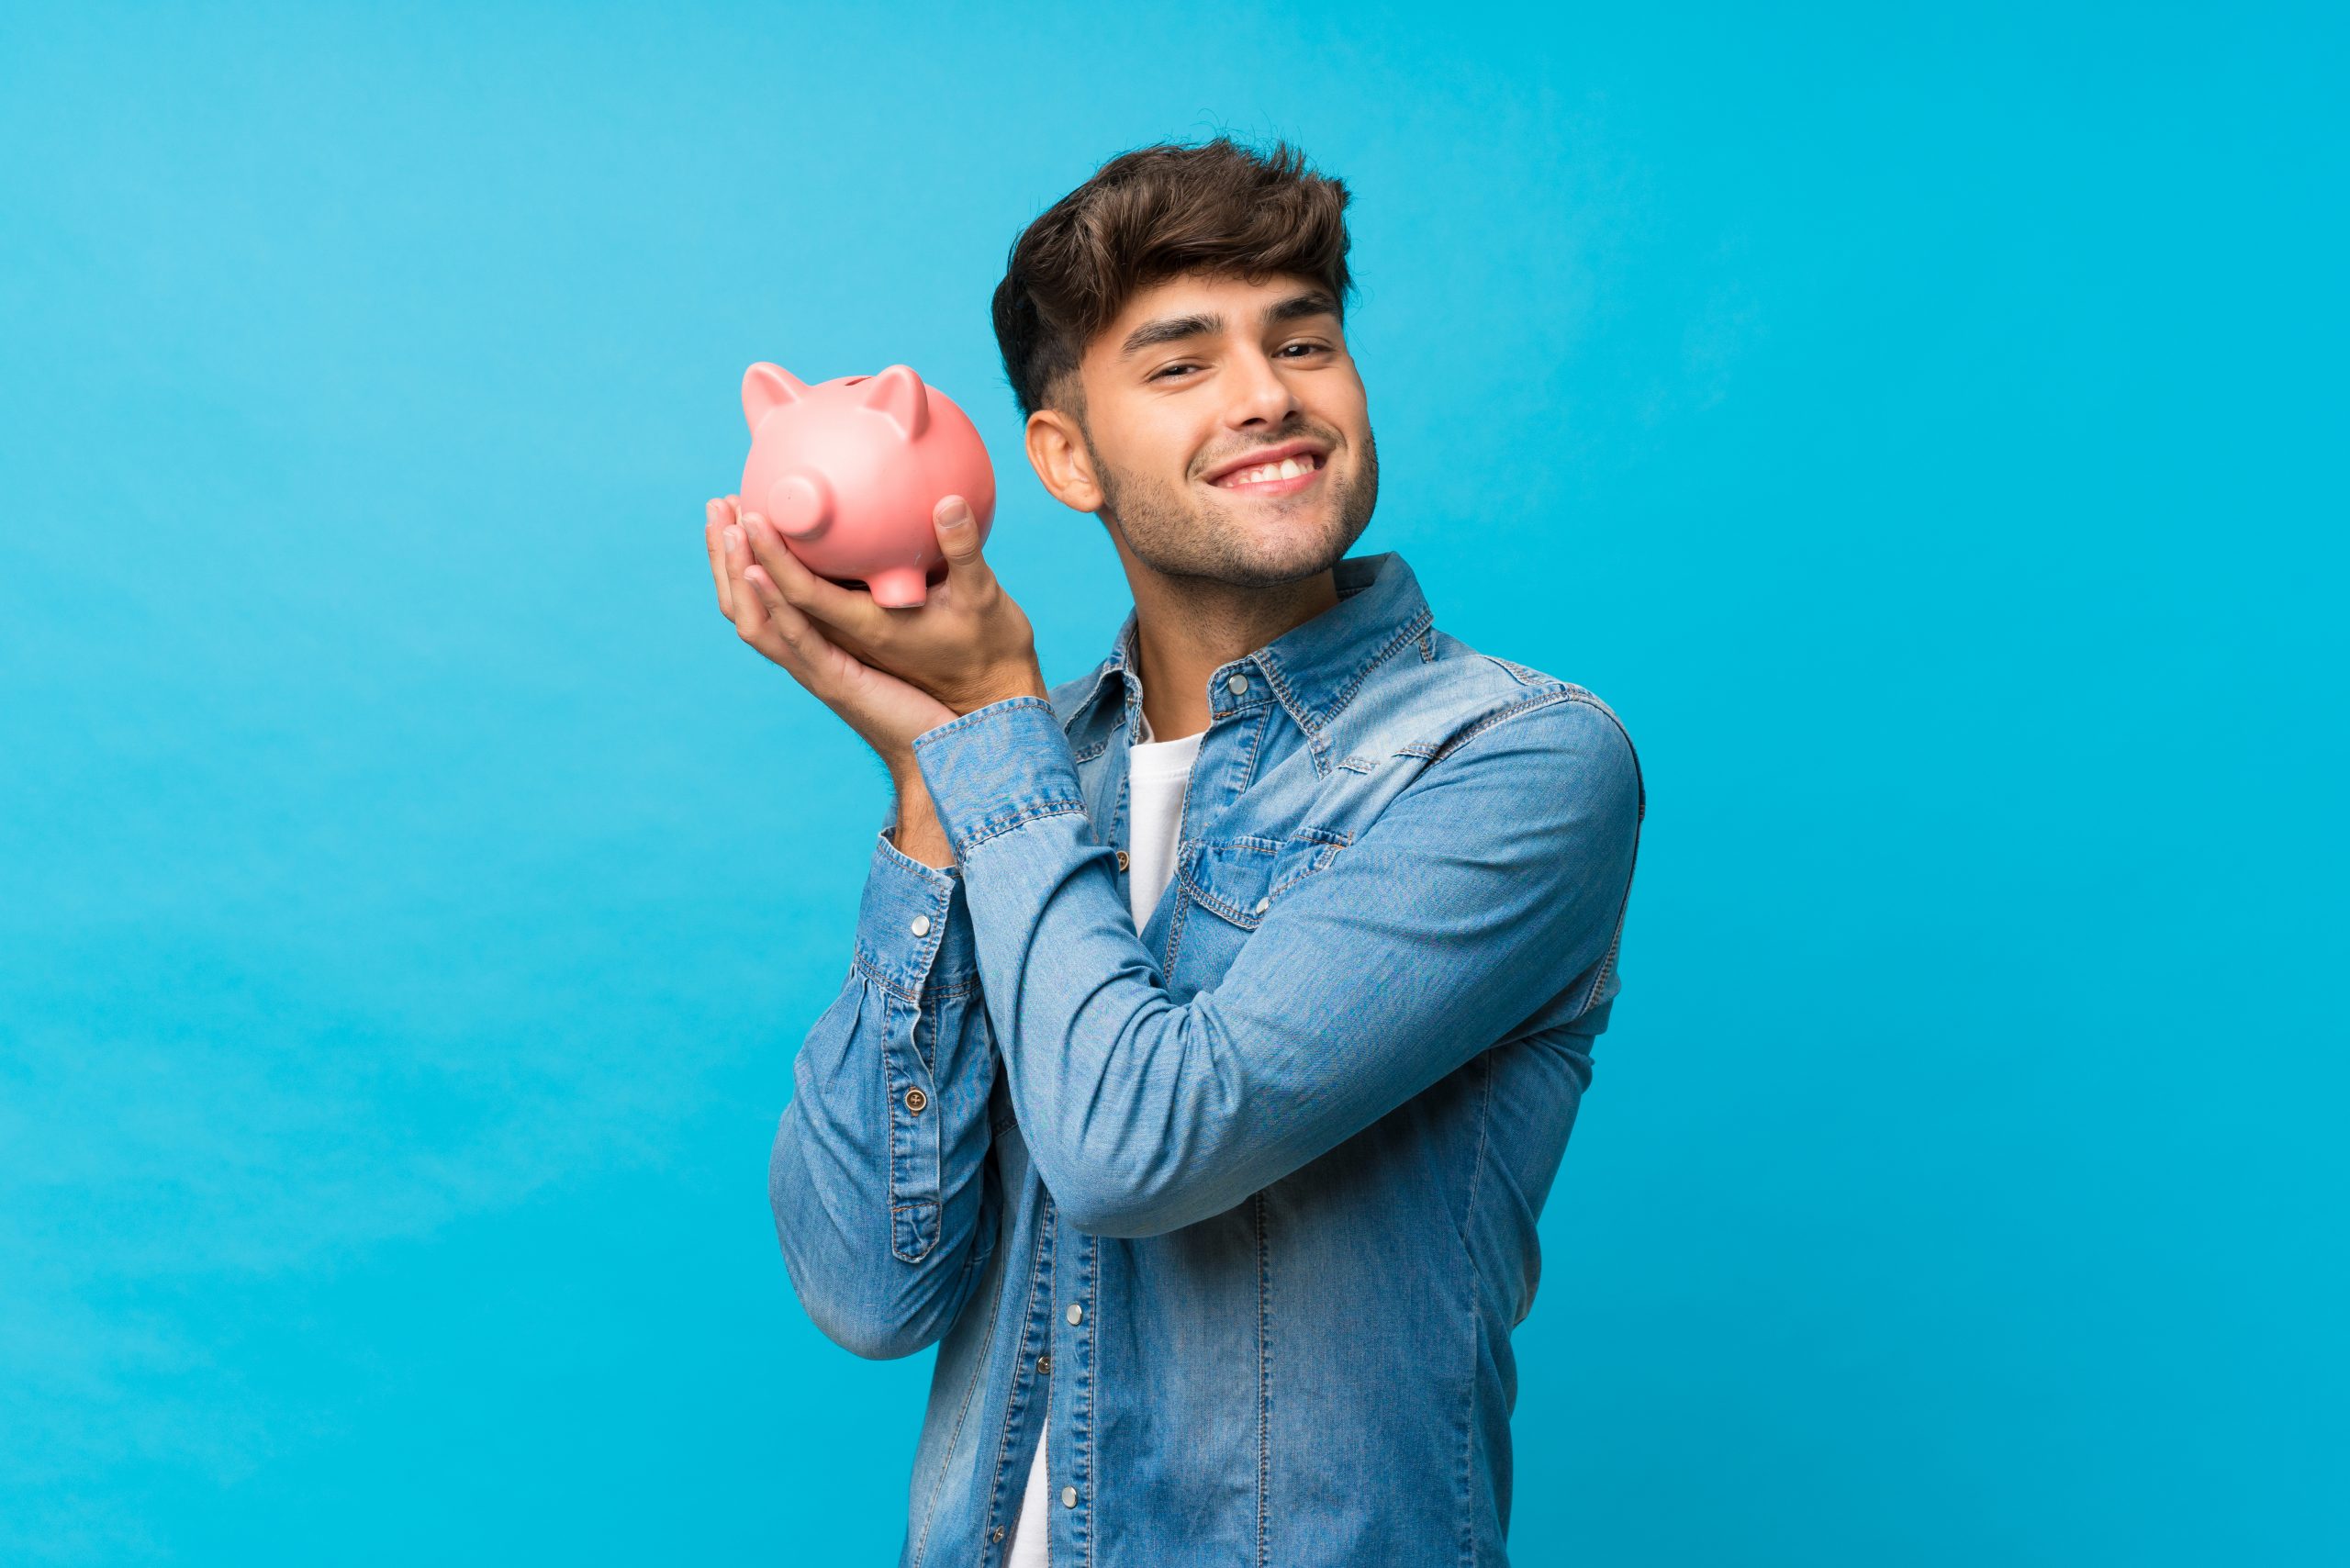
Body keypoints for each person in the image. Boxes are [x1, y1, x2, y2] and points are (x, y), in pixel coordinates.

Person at [705, 136, 1646, 1568]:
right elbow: (867, 1287)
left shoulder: (1515, 761)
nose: (1269, 396)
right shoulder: (1020, 765)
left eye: (1305, 341)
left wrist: (986, 738)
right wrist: (926, 782)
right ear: (1063, 457)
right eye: (1181, 361)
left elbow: (1138, 1150)